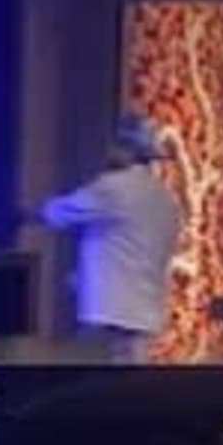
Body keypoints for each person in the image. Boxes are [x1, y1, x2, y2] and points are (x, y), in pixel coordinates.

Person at [39, 112, 186, 359]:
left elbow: (59, 212)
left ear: (125, 150)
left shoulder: (115, 188)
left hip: (109, 317)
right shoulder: (165, 200)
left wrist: (22, 214)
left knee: (92, 387)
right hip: (144, 318)